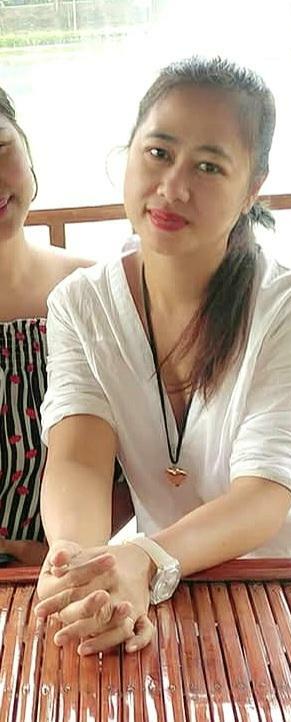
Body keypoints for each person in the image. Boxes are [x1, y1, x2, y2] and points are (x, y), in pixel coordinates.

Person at [35, 57, 291, 655]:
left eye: (209, 166)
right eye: (158, 152)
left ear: (252, 187)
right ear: (129, 151)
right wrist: (82, 569)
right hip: (173, 586)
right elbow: (79, 457)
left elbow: (264, 494)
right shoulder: (81, 304)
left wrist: (143, 558)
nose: (173, 186)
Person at [0, 87, 133, 567]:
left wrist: (63, 554)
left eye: (0, 148)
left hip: (66, 574)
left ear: (27, 148)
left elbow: (151, 453)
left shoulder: (94, 296)